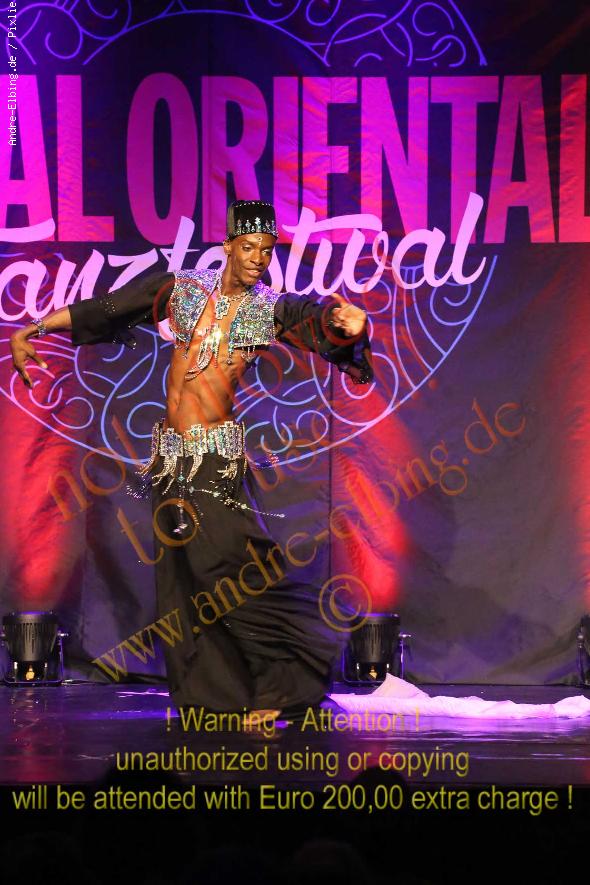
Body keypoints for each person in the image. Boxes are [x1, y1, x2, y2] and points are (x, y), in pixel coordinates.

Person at [10, 199, 373, 717]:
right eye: (248, 248)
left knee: (231, 569)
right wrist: (34, 329)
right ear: (228, 246)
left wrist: (345, 326)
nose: (257, 259)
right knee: (184, 582)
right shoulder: (182, 290)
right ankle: (214, 697)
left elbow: (314, 321)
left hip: (214, 459)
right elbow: (109, 309)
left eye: (267, 250)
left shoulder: (268, 308)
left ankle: (287, 685)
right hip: (170, 461)